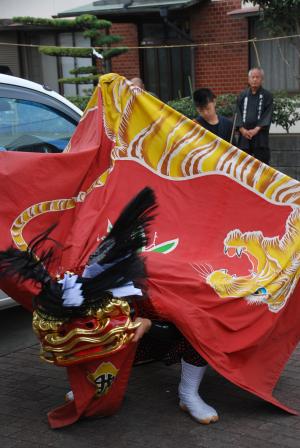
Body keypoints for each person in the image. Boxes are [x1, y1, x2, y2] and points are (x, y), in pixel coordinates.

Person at [236, 67, 273, 165]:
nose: (255, 79)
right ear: (248, 79)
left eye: (258, 77)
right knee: (243, 165)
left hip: (260, 136)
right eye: (253, 77)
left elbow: (267, 114)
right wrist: (242, 130)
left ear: (262, 80)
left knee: (262, 165)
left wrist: (256, 130)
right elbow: (237, 113)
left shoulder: (267, 96)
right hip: (244, 136)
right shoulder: (242, 95)